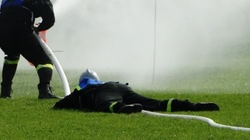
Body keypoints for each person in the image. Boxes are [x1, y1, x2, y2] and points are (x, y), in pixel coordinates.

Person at [0, 0, 58, 99]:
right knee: (44, 60)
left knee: (11, 55)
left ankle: (5, 92)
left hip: (1, 33)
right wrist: (38, 28)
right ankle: (44, 91)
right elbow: (50, 20)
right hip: (20, 32)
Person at [53, 69, 220, 114]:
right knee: (154, 104)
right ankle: (191, 106)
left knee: (104, 104)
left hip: (107, 92)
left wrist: (59, 104)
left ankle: (123, 108)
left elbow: (60, 104)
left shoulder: (83, 88)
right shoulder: (101, 82)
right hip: (121, 87)